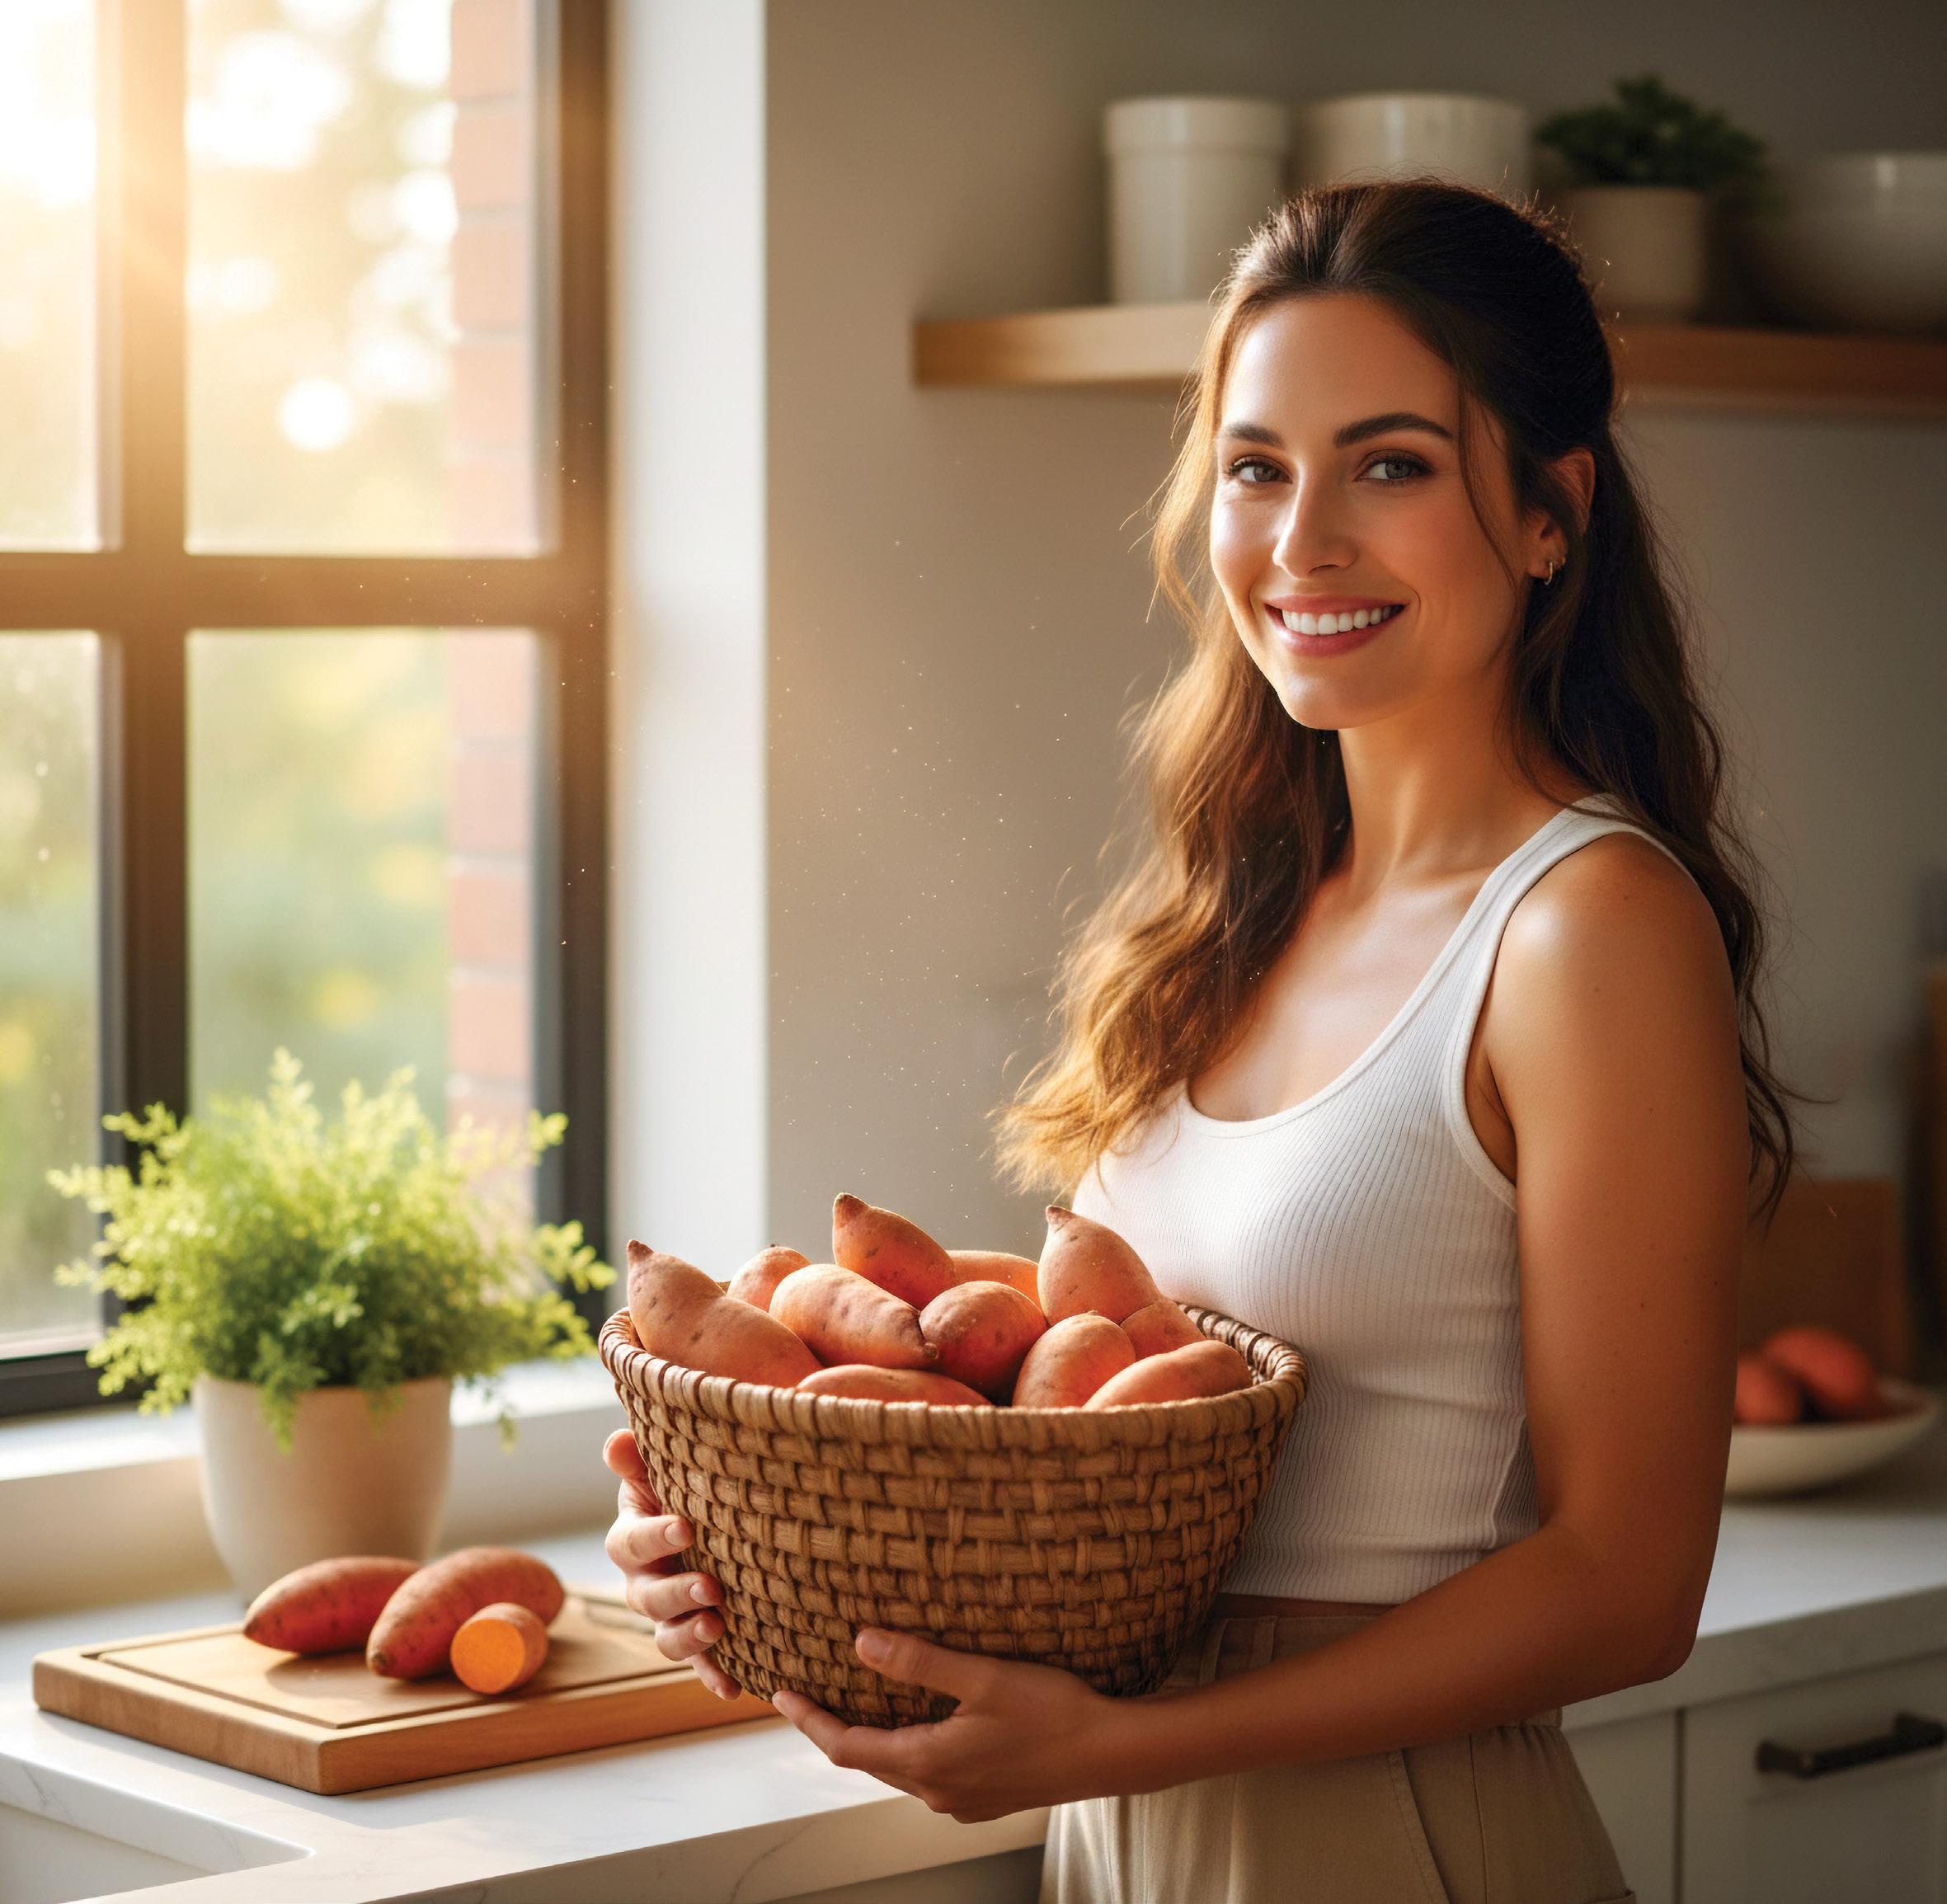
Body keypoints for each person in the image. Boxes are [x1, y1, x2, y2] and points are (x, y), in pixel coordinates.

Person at [602, 177, 1804, 1903]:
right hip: (1134, 1837)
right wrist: (756, 1547)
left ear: (1550, 515)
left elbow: (1625, 1587)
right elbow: (1103, 1454)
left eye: (1388, 463)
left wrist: (1117, 1747)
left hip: (1390, 1837)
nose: (1299, 540)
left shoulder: (1581, 931)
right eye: (1255, 467)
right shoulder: (1231, 913)